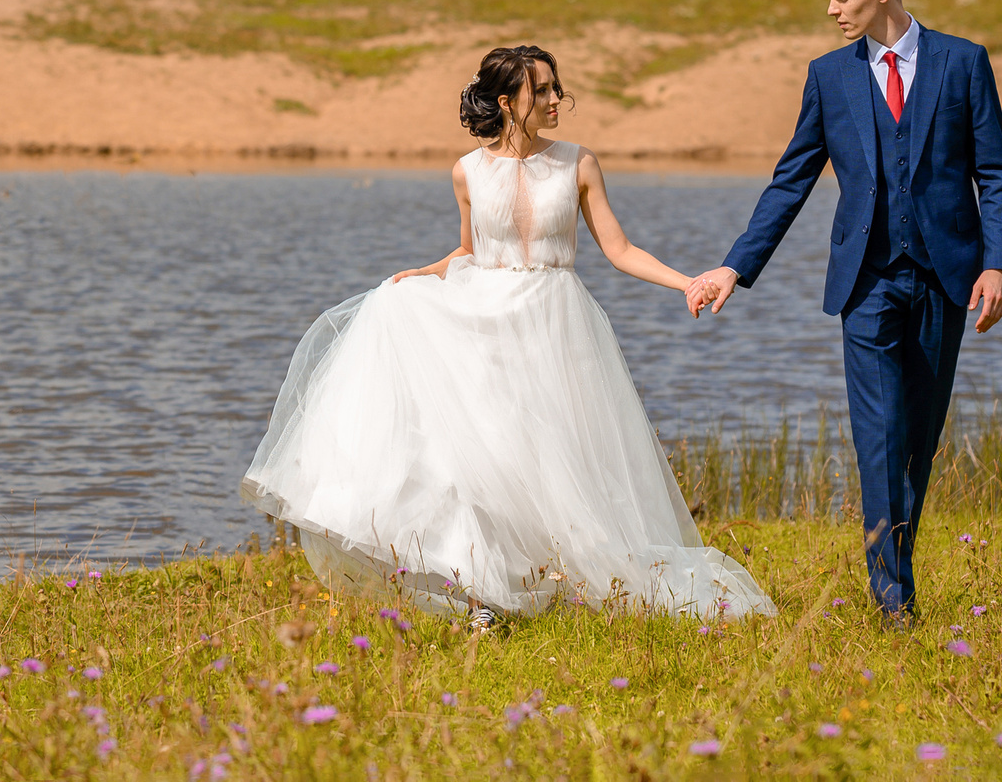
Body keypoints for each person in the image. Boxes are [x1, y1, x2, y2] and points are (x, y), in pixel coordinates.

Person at [242, 45, 776, 624]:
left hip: (557, 323)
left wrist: (686, 283)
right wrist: (424, 274)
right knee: (481, 458)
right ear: (507, 101)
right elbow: (471, 251)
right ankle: (484, 596)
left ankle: (566, 579)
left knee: (555, 456)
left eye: (555, 88)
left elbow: (618, 249)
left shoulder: (579, 162)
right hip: (481, 322)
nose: (554, 100)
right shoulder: (466, 170)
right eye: (540, 90)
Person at [684, 0, 1002, 623]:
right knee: (879, 437)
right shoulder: (828, 76)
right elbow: (791, 180)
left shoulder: (962, 63)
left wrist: (997, 263)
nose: (832, 9)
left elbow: (996, 174)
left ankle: (899, 569)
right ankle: (893, 599)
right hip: (864, 284)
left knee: (918, 440)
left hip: (947, 279)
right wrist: (735, 264)